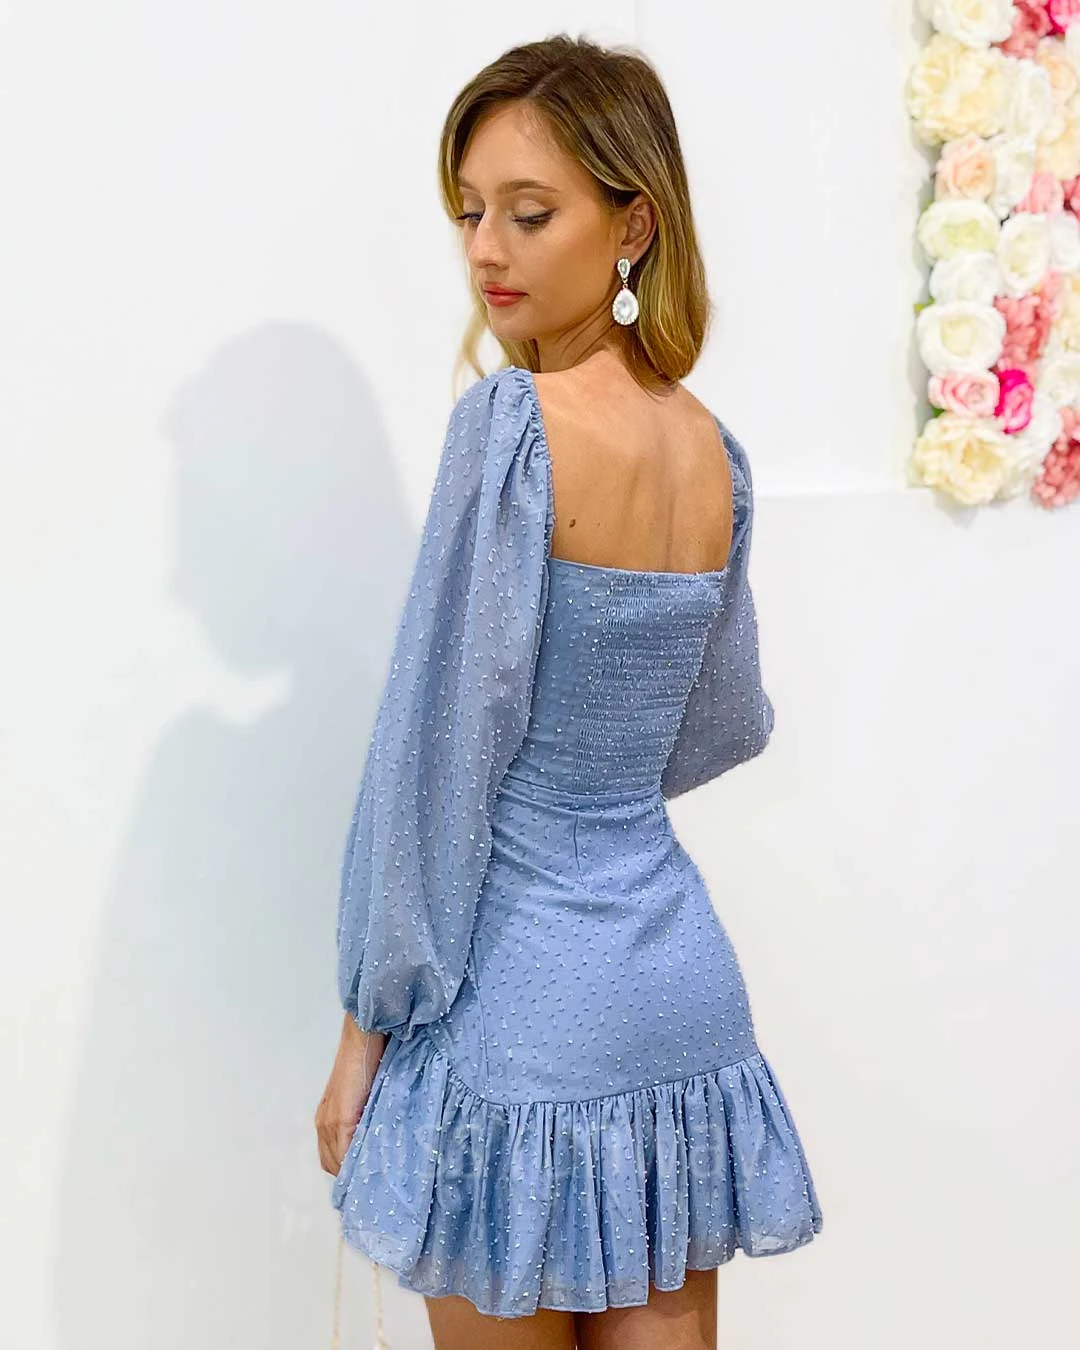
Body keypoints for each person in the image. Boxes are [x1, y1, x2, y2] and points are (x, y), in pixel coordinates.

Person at [314, 33, 822, 1350]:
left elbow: (435, 756)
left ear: (632, 224)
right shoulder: (713, 451)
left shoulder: (511, 431)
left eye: (529, 214)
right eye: (469, 212)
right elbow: (721, 721)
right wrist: (597, 784)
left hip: (521, 1016)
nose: (488, 250)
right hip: (677, 996)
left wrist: (365, 1029)